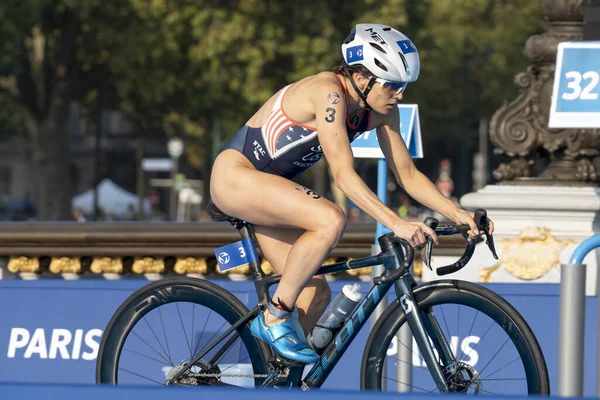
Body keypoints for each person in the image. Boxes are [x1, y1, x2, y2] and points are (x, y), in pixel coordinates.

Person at [210, 23, 494, 364]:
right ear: (361, 78)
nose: (399, 94)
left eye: (403, 86)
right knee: (330, 219)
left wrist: (459, 214)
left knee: (315, 294)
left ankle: (277, 380)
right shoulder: (327, 92)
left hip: (268, 189)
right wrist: (396, 223)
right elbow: (343, 176)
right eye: (392, 85)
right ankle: (274, 316)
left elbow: (407, 175)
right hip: (236, 177)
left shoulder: (384, 112)